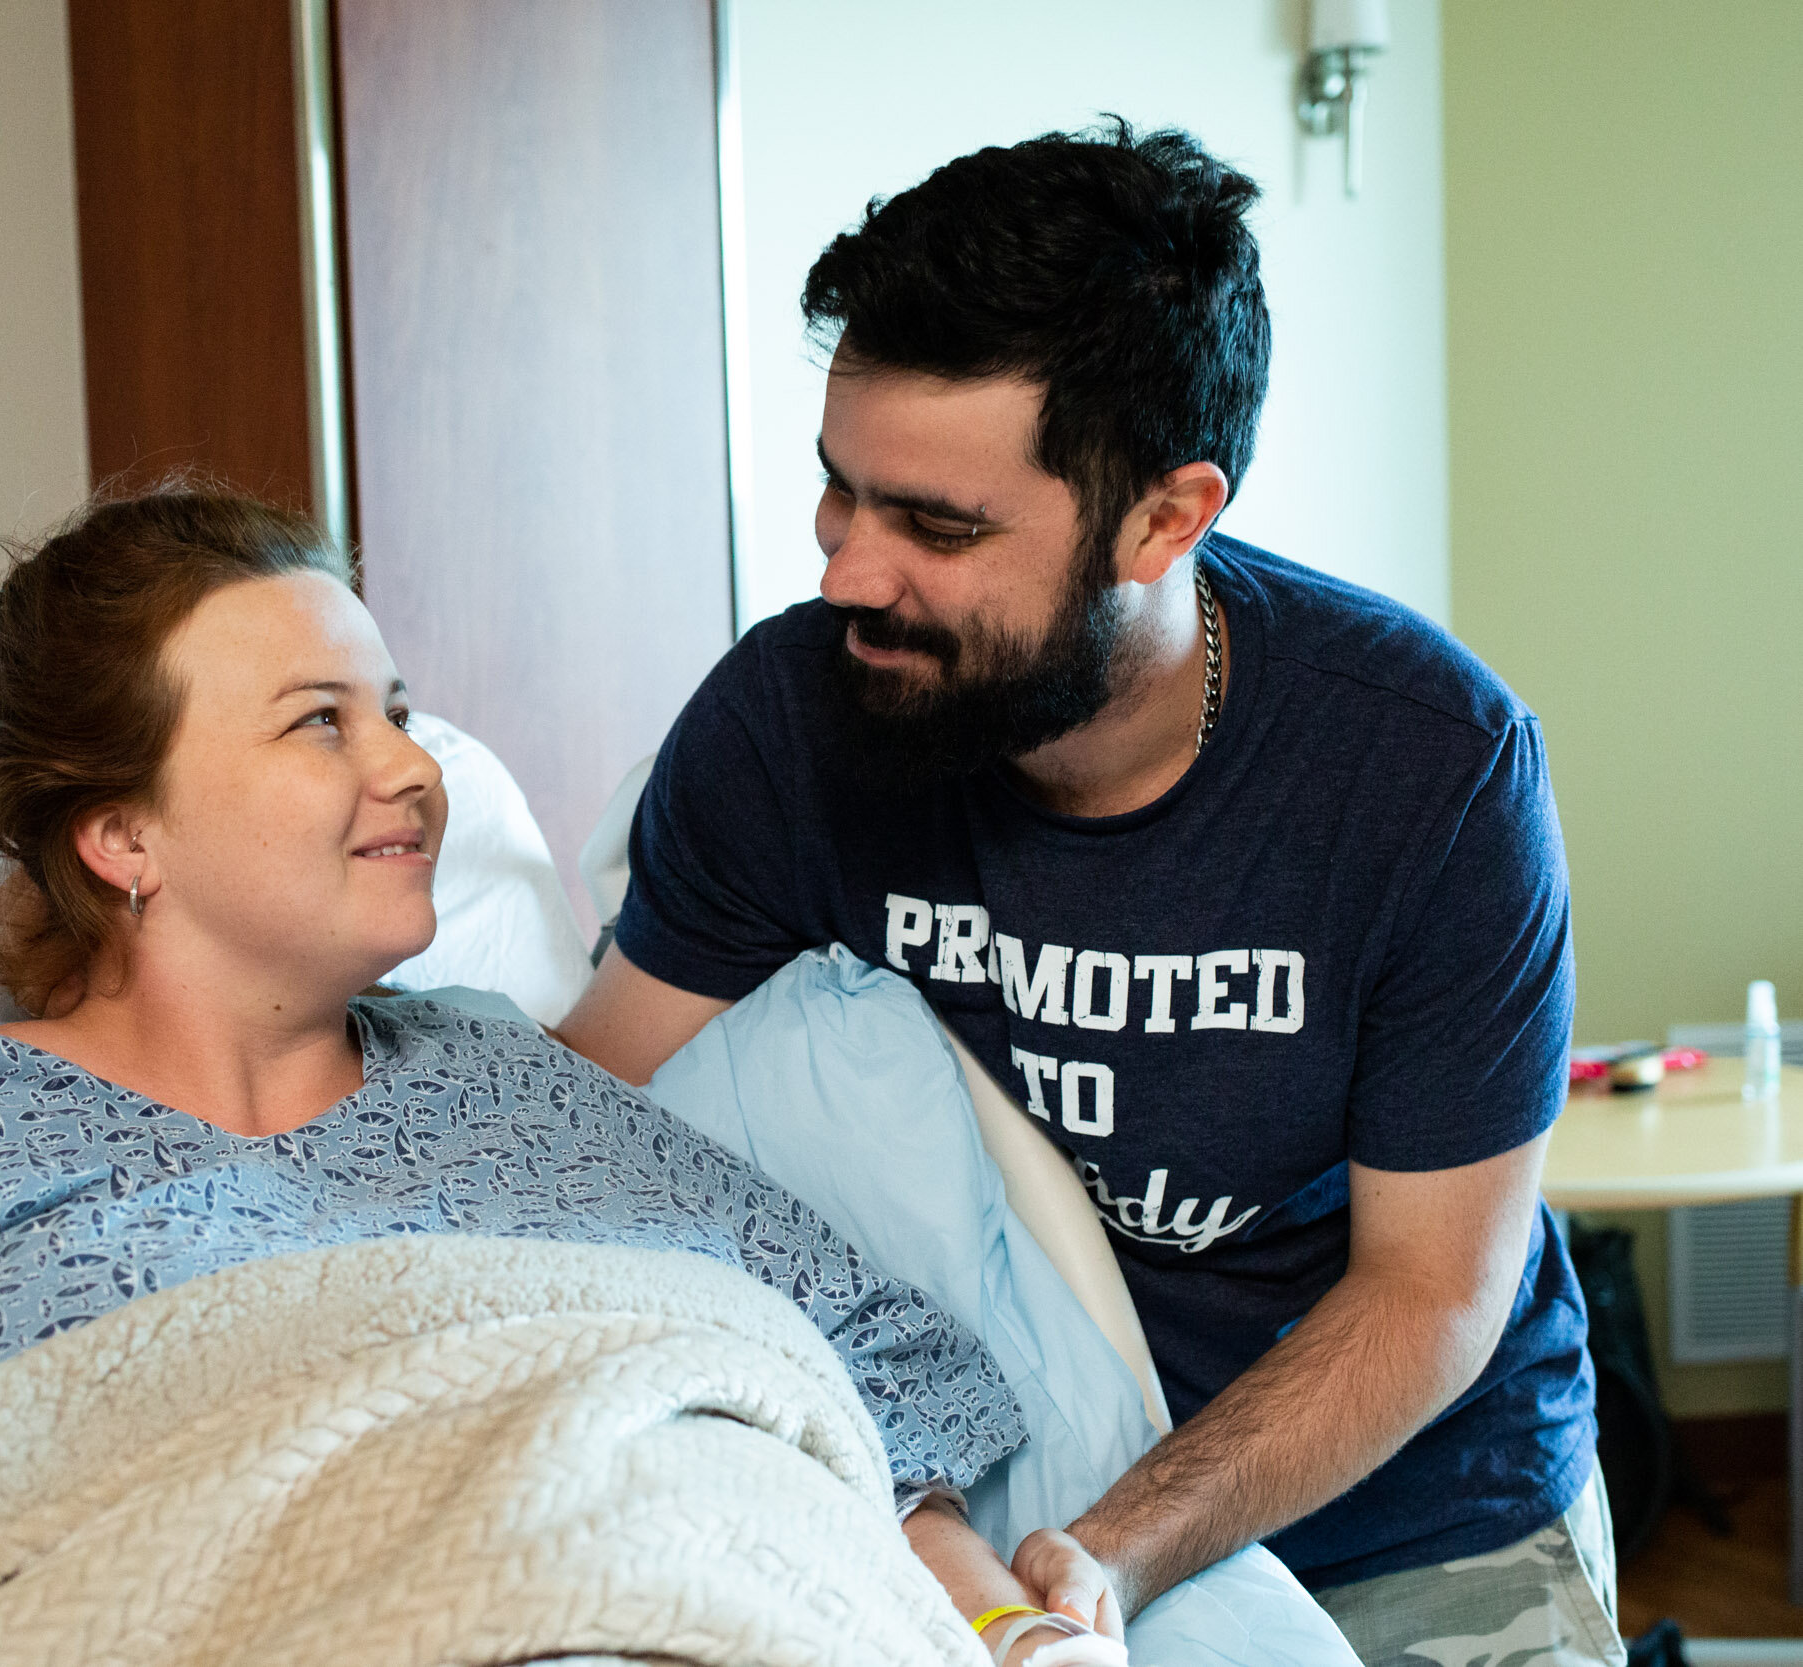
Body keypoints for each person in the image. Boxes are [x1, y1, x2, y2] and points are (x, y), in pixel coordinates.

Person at [0, 485, 1106, 1665]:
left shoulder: (513, 1090)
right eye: (318, 724)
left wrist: (1005, 1633)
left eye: (394, 711)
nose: (409, 765)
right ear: (123, 838)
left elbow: (850, 1396)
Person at [554, 124, 1612, 1667]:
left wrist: (1106, 1552)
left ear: (1168, 518)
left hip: (1411, 1514)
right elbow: (597, 1109)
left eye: (939, 525)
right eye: (841, 493)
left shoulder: (1426, 772)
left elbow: (1432, 1293)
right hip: (995, 1493)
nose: (850, 571)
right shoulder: (794, 719)